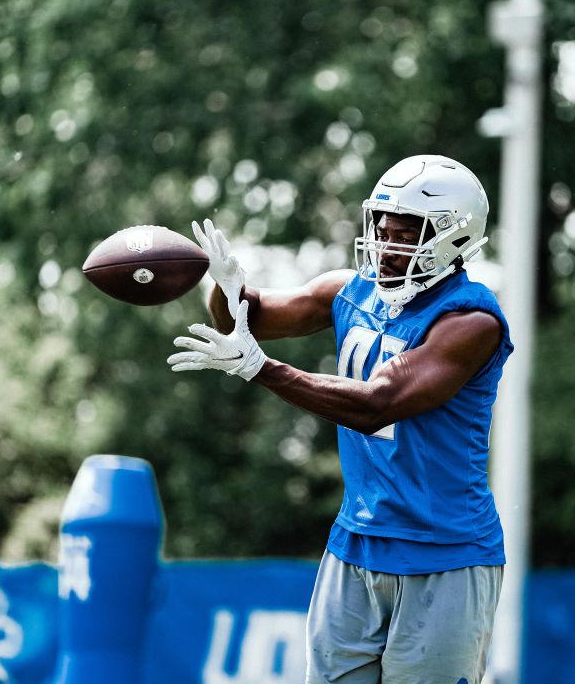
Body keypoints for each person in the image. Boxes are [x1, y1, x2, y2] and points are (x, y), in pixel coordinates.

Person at [167, 154, 514, 683]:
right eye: (382, 227)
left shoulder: (470, 321)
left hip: (445, 550)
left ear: (454, 237)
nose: (386, 245)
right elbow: (247, 321)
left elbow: (378, 403)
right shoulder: (348, 291)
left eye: (406, 233)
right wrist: (225, 285)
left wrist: (261, 369)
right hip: (356, 539)